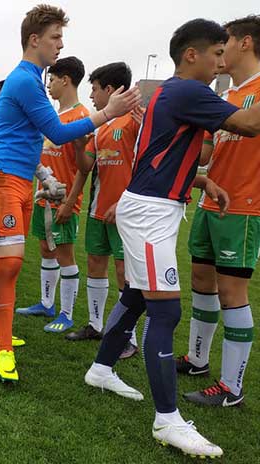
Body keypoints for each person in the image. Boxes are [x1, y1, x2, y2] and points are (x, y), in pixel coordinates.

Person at [84, 18, 260, 458]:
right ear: (191, 55)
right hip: (150, 214)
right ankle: (168, 421)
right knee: (166, 314)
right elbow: (250, 124)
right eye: (217, 55)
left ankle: (102, 368)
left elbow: (161, 156)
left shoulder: (167, 92)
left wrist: (200, 181)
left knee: (139, 299)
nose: (221, 63)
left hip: (151, 207)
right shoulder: (187, 91)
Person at [0, 4, 140, 384]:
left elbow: (21, 137)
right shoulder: (22, 81)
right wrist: (109, 111)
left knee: (5, 262)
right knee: (12, 263)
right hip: (0, 180)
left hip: (19, 181)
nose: (60, 45)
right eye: (55, 37)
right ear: (35, 40)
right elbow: (58, 131)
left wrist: (43, 174)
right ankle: (3, 349)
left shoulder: (29, 82)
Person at [176, 15, 260, 408]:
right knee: (202, 282)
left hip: (244, 209)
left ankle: (231, 387)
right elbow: (209, 151)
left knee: (232, 292)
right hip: (211, 203)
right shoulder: (226, 97)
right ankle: (196, 360)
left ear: (245, 43)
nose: (220, 49)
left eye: (224, 41)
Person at [61, 62, 139, 361]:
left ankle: (127, 338)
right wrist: (81, 146)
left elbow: (146, 164)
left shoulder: (134, 121)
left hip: (126, 213)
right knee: (96, 264)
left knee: (124, 272)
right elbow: (86, 166)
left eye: (95, 88)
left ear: (110, 89)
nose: (91, 95)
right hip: (97, 210)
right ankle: (96, 325)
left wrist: (126, 204)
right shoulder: (102, 125)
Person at [15, 56, 90, 328]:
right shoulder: (54, 117)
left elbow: (84, 167)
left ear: (65, 80)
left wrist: (70, 202)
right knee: (47, 250)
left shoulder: (81, 117)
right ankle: (47, 304)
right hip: (43, 197)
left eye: (53, 80)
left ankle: (67, 315)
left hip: (64, 200)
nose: (49, 86)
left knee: (64, 255)